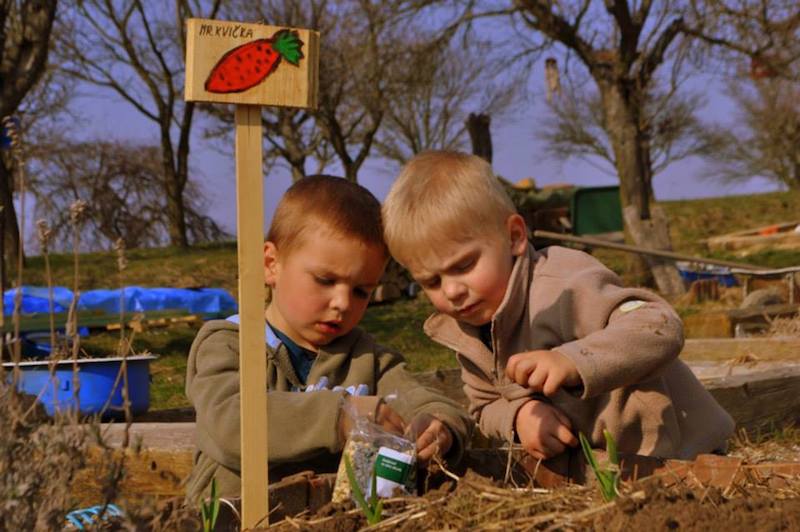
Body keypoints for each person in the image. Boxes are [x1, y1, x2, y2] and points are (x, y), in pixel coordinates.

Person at [382, 150, 734, 462]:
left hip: (684, 455)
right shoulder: (468, 332)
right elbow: (483, 405)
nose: (452, 291)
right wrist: (521, 414)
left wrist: (571, 360)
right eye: (432, 282)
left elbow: (659, 326)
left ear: (514, 237)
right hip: (606, 468)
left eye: (463, 266)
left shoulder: (565, 284)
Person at [185, 175, 471, 502]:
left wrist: (440, 426)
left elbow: (417, 397)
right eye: (325, 279)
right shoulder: (229, 344)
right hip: (231, 517)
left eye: (361, 291)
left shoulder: (369, 359)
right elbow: (230, 424)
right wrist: (340, 415)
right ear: (271, 264)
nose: (343, 303)